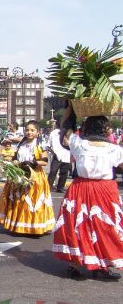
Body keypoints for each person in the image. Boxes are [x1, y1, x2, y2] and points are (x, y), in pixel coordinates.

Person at [53, 106, 123, 280]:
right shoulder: (115, 149)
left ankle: (75, 265)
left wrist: (70, 108)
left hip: (81, 188)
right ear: (105, 130)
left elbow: (66, 128)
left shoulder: (78, 143)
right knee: (105, 227)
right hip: (105, 190)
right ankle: (102, 263)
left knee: (78, 226)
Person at [0, 120, 55, 235]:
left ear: (38, 132)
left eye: (32, 130)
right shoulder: (21, 144)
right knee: (19, 200)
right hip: (20, 175)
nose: (29, 132)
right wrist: (14, 163)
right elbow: (15, 158)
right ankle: (20, 225)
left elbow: (45, 162)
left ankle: (34, 226)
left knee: (33, 201)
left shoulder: (40, 144)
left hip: (35, 176)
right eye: (27, 130)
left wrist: (33, 162)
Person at [47, 128, 71, 193]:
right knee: (53, 172)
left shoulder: (69, 132)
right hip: (56, 155)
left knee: (64, 173)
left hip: (67, 155)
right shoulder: (54, 133)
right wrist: (53, 153)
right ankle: (48, 187)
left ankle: (60, 188)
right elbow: (48, 145)